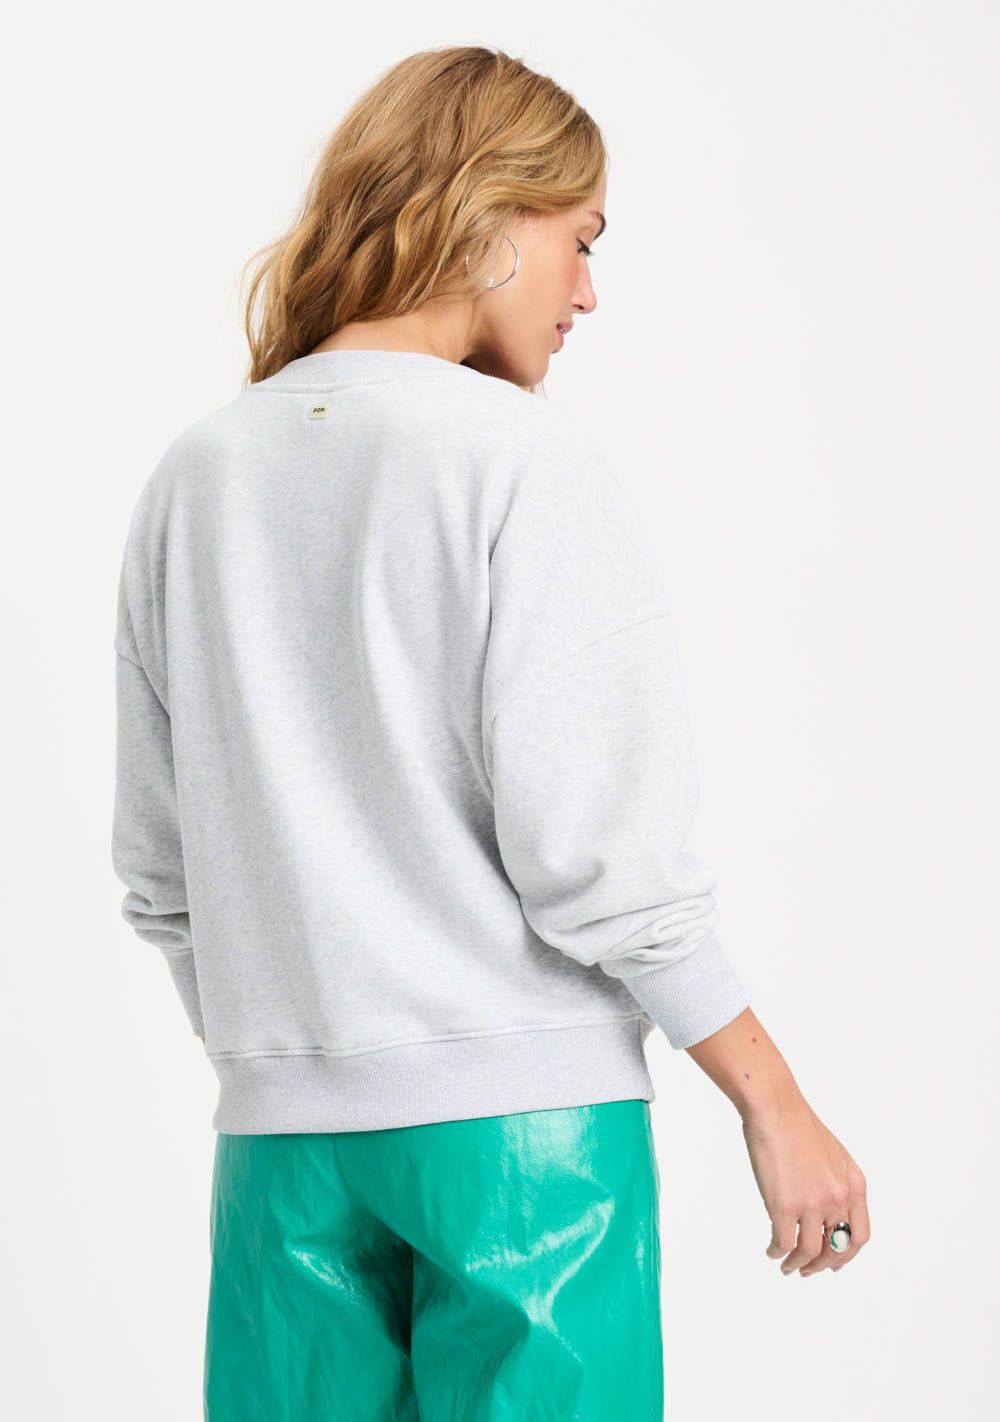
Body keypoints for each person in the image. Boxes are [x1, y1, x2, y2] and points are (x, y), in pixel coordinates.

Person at [111, 44, 870, 1422]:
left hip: (281, 1152)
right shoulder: (514, 457)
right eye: (581, 239)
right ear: (486, 211)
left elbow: (165, 881)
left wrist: (304, 1048)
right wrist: (775, 1102)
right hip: (523, 1147)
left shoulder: (195, 475)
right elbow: (605, 860)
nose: (588, 291)